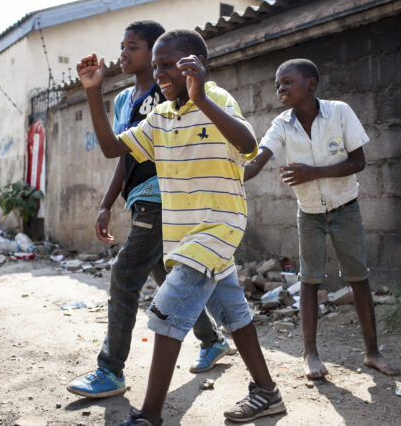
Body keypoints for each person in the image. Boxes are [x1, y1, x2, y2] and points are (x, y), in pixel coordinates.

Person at [77, 29, 286, 425]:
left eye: (168, 65)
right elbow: (111, 149)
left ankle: (149, 415)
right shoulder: (160, 118)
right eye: (156, 66)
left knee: (168, 309)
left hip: (219, 226)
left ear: (193, 65)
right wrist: (92, 91)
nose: (159, 73)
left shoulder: (218, 99)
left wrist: (202, 97)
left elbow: (247, 146)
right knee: (232, 312)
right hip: (182, 234)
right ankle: (266, 391)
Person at [66, 21, 232, 401]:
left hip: (166, 197)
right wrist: (108, 203)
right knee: (161, 273)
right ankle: (212, 340)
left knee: (124, 275)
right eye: (121, 46)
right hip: (139, 196)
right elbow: (121, 153)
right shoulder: (124, 100)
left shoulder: (172, 90)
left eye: (133, 47)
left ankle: (110, 369)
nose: (123, 53)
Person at [244, 58, 399, 380]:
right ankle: (310, 353)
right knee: (310, 281)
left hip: (345, 207)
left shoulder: (339, 112)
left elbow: (358, 161)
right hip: (310, 212)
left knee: (358, 278)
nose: (280, 88)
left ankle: (372, 353)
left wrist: (314, 173)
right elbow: (258, 160)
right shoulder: (282, 124)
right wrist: (227, 177)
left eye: (288, 81)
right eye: (277, 84)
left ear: (310, 83)